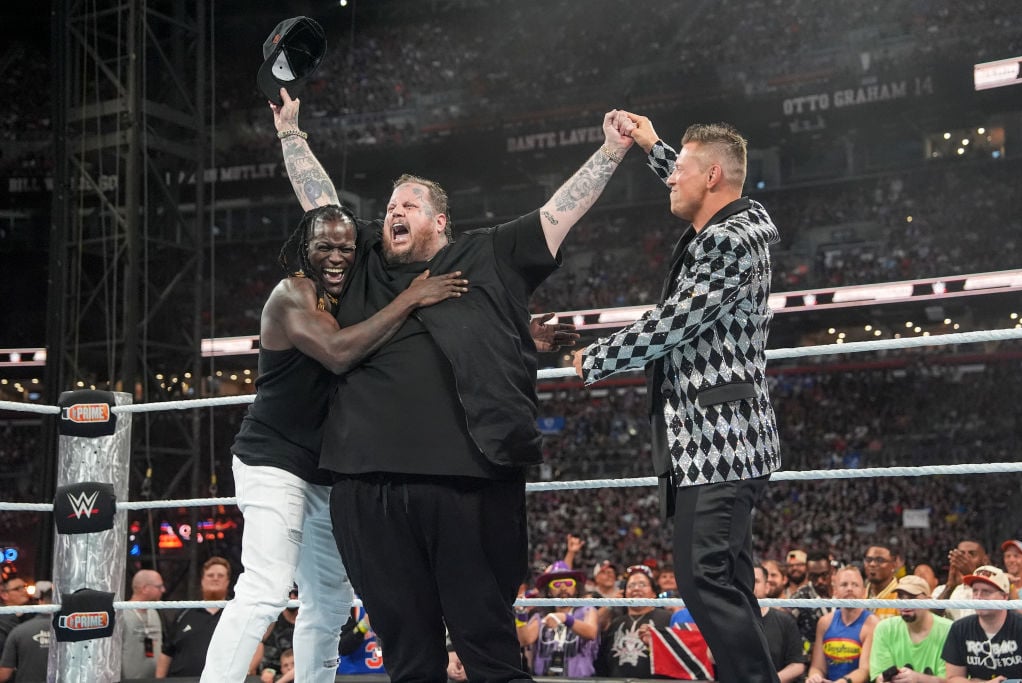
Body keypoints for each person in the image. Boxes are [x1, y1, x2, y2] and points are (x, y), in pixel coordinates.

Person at [274, 88, 629, 681]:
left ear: (439, 220)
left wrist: (611, 150)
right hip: (368, 485)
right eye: (390, 205)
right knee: (407, 647)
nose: (394, 211)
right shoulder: (361, 258)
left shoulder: (485, 252)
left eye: (409, 204)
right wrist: (291, 133)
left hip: (467, 481)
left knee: (485, 640)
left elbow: (558, 213)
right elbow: (319, 203)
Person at [200, 202, 472, 683]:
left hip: (326, 472)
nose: (335, 256)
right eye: (323, 246)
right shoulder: (293, 294)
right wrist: (411, 297)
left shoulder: (359, 301)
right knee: (265, 587)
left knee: (329, 603)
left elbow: (424, 341)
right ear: (304, 249)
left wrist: (523, 337)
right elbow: (338, 353)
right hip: (273, 460)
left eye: (345, 248)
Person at [574, 112, 782, 683]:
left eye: (680, 170)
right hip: (719, 438)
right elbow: (695, 186)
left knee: (703, 578)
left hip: (721, 442)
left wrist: (596, 358)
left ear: (712, 175)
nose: (671, 179)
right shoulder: (738, 218)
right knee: (726, 579)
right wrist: (653, 145)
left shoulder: (727, 243)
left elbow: (675, 322)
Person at [941, 565, 1022, 681]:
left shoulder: (1020, 626)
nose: (978, 597)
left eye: (986, 592)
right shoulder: (960, 628)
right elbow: (953, 678)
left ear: (1004, 596)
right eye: (975, 591)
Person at [520, 561, 599, 677]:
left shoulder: (587, 610)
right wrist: (520, 614)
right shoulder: (541, 616)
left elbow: (591, 632)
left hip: (579, 681)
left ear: (576, 589)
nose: (563, 588)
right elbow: (524, 640)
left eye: (568, 583)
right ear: (549, 592)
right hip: (545, 680)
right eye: (556, 585)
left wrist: (565, 618)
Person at [867, 575, 951, 683]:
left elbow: (953, 680)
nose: (905, 603)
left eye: (912, 597)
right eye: (901, 596)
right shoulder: (884, 629)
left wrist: (917, 679)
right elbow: (879, 675)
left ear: (928, 601)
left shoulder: (949, 630)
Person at [159, 556, 232, 678]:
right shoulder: (184, 613)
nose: (215, 579)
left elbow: (256, 645)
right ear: (202, 580)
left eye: (220, 576)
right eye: (210, 575)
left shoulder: (237, 614)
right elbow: (166, 652)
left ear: (228, 581)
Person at [596, 565, 672, 677]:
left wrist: (655, 643)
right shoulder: (616, 623)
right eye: (631, 585)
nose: (636, 588)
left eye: (642, 584)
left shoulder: (668, 619)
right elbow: (602, 661)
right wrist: (610, 604)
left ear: (653, 594)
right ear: (625, 594)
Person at [807, 565, 879, 683]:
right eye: (844, 585)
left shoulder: (872, 623)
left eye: (855, 585)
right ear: (835, 591)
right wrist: (815, 677)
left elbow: (865, 670)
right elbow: (817, 667)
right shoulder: (824, 623)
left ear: (864, 591)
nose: (849, 589)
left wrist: (841, 682)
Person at [754, 564, 807, 683]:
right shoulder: (732, 620)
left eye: (756, 581)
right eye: (746, 581)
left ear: (767, 587)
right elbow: (713, 657)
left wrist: (770, 680)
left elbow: (797, 664)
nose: (750, 585)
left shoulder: (785, 620)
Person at [0, 581, 51, 683]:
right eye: (18, 588)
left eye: (24, 587)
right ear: (4, 595)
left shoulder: (33, 616)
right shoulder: (3, 620)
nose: (24, 591)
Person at [122, 569, 166, 680]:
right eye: (159, 586)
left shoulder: (154, 613)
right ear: (145, 588)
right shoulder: (122, 613)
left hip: (154, 679)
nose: (163, 590)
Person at [933, 539, 989, 621]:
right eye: (961, 554)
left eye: (971, 554)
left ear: (985, 560)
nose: (965, 559)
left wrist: (972, 577)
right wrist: (950, 588)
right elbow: (931, 620)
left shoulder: (993, 590)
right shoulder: (941, 590)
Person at [792, 550, 833, 653]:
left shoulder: (842, 594)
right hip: (811, 659)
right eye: (814, 576)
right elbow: (786, 628)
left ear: (831, 571)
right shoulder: (799, 598)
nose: (819, 581)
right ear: (808, 575)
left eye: (824, 575)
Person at [864, 543, 901, 619]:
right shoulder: (859, 595)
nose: (872, 564)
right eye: (868, 560)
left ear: (894, 564)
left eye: (880, 560)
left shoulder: (901, 597)